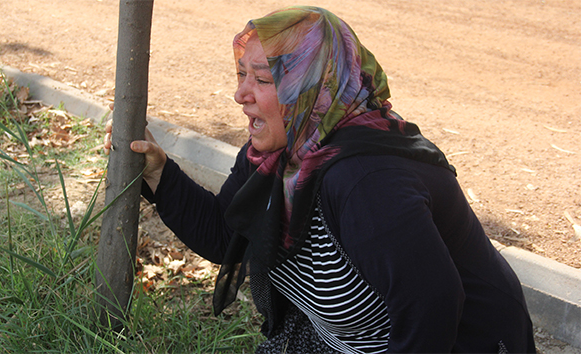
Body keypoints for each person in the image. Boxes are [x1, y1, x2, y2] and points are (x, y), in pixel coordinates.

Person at [104, 6, 536, 353]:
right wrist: (159, 172)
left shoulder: (366, 180)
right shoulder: (279, 156)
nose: (240, 94)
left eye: (263, 79)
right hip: (348, 341)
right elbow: (224, 234)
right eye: (241, 74)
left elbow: (433, 311)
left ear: (312, 86)